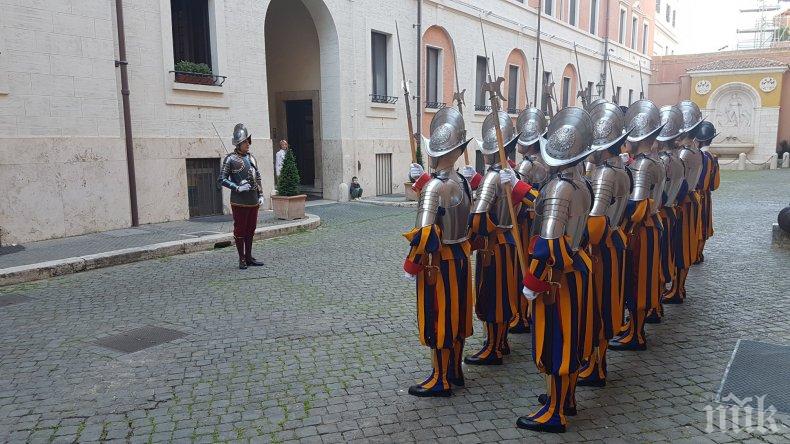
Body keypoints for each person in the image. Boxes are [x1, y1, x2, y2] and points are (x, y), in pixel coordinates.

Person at [517, 107, 594, 433]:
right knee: (571, 338)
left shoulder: (558, 188)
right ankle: (565, 398)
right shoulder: (581, 182)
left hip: (556, 276)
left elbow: (546, 243)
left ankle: (555, 411)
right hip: (576, 269)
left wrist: (532, 281)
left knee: (557, 341)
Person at [402, 107, 474, 397]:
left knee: (440, 317)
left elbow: (424, 233)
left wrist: (411, 265)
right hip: (460, 257)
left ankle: (440, 377)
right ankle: (455, 369)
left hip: (438, 263)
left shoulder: (435, 187)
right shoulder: (464, 181)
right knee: (457, 316)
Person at [465, 111, 539, 366]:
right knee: (505, 294)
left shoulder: (494, 176)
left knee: (492, 295)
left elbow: (478, 216)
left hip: (493, 246)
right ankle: (501, 341)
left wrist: (473, 238)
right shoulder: (508, 174)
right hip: (510, 241)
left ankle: (493, 347)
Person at [578, 102, 631, 387]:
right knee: (604, 303)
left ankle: (596, 366)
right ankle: (598, 362)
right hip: (613, 244)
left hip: (601, 248)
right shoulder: (615, 168)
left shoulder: (606, 174)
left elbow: (595, 224)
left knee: (598, 305)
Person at [609, 100, 665, 351]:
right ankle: (634, 328)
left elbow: (635, 206)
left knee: (638, 280)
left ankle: (636, 333)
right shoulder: (648, 161)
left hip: (641, 229)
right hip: (649, 227)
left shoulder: (643, 165)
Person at [510, 108, 549, 335]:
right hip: (542, 224)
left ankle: (523, 314)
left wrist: (516, 188)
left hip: (526, 225)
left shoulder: (527, 165)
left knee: (523, 267)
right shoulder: (547, 161)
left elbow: (530, 199)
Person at [647, 105, 686, 325]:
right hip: (668, 213)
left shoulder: (662, 161)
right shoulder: (677, 158)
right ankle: (657, 304)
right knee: (663, 262)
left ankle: (653, 306)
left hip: (657, 216)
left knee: (655, 265)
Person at [663, 101, 705, 304]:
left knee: (678, 247)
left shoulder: (683, 153)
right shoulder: (695, 150)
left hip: (682, 205)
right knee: (684, 246)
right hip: (690, 202)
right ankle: (678, 287)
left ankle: (677, 289)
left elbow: (677, 185)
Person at [219, 123, 265, 270]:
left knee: (251, 229)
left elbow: (257, 177)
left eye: (248, 141)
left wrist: (261, 194)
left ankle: (249, 256)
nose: (248, 144)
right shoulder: (230, 159)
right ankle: (241, 258)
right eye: (245, 141)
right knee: (240, 229)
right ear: (238, 143)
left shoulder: (252, 158)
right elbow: (221, 179)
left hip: (253, 200)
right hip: (239, 201)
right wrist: (237, 187)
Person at [695, 121, 720, 263]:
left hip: (694, 195)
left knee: (694, 224)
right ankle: (699, 253)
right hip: (705, 196)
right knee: (703, 225)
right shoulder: (712, 157)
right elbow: (715, 184)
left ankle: (693, 253)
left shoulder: (695, 156)